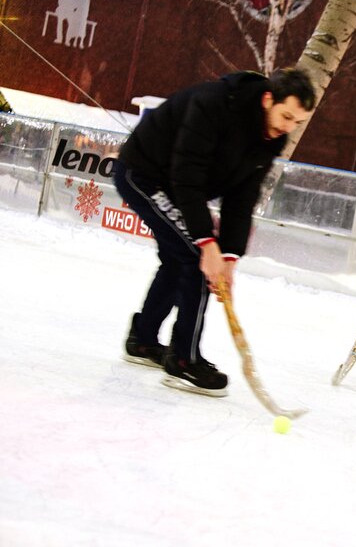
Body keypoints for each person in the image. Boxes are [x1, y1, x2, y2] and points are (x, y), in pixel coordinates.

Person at [114, 68, 315, 397]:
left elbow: (242, 197)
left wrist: (230, 256)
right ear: (268, 99)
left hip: (178, 187)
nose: (288, 127)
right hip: (144, 172)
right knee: (194, 256)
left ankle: (143, 339)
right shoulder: (216, 105)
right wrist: (208, 244)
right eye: (287, 116)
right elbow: (187, 174)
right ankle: (183, 359)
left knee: (181, 258)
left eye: (298, 122)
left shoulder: (271, 137)